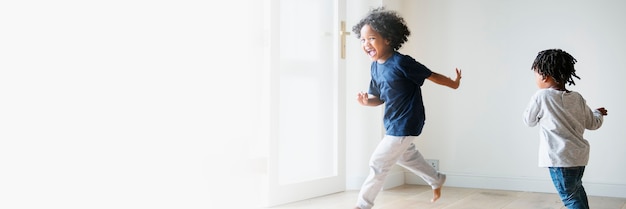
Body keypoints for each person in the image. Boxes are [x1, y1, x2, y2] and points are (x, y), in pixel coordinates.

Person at [351, 7, 462, 209]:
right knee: (407, 157)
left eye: (372, 38)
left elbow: (431, 75)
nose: (366, 44)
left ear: (388, 39)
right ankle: (436, 179)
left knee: (377, 162)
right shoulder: (375, 66)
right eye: (363, 40)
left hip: (407, 121)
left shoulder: (401, 62)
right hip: (393, 122)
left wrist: (453, 83)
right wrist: (367, 102)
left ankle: (362, 205)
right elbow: (379, 98)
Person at [523, 49, 607, 209]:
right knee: (576, 192)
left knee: (570, 199)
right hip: (579, 157)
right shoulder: (577, 98)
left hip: (559, 159)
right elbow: (593, 124)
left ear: (544, 76)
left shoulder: (541, 96)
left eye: (535, 75)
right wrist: (598, 113)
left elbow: (529, 121)